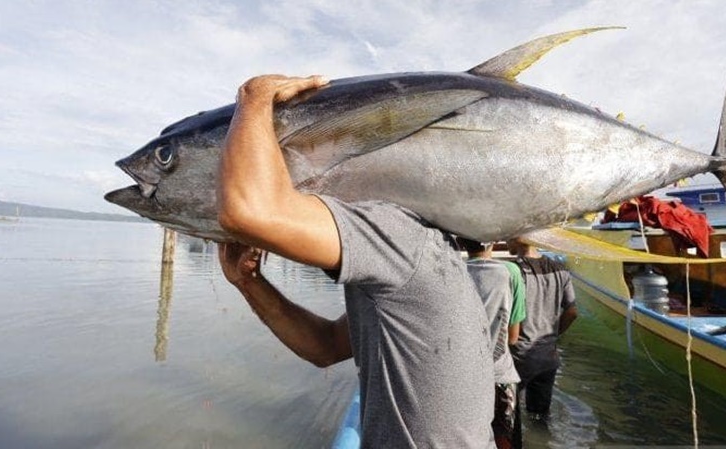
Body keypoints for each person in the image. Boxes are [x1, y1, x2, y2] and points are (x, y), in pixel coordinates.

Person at [216, 74, 495, 447]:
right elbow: (325, 345)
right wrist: (250, 283)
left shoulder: (403, 237)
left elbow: (248, 210)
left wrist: (253, 98)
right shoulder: (416, 262)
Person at [505, 237, 577, 446]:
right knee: (540, 419)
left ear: (518, 239)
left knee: (510, 420)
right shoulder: (559, 269)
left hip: (520, 357)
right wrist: (554, 336)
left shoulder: (512, 271)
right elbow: (572, 312)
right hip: (548, 357)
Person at [457, 238, 526, 449]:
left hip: (463, 379)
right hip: (500, 378)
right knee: (504, 440)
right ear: (494, 241)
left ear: (460, 241)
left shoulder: (453, 271)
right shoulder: (510, 272)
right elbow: (513, 337)